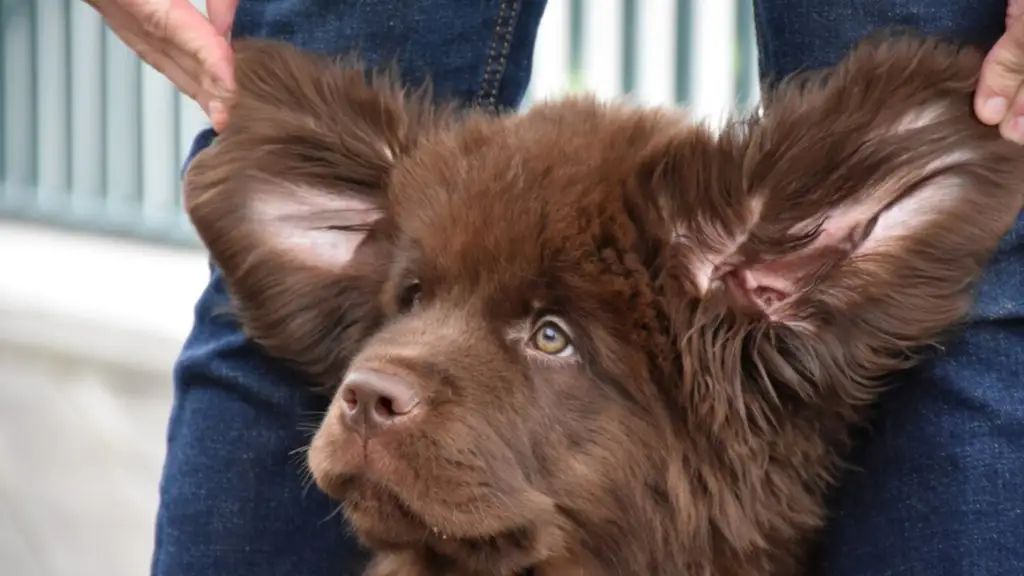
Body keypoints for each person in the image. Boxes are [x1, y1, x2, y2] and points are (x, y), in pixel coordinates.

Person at [84, 1, 1024, 574]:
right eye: (411, 300)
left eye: (549, 336)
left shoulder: (747, 293)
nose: (382, 375)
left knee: (975, 264)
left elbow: (961, 154)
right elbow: (256, 161)